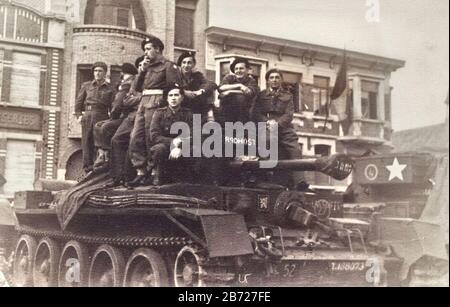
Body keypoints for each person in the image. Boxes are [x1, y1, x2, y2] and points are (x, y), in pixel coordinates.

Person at [128, 37, 180, 186]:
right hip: (143, 103)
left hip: (157, 102)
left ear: (157, 49)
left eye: (148, 48)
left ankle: (154, 172)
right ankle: (140, 171)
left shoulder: (169, 66)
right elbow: (137, 88)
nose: (146, 52)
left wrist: (163, 105)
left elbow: (173, 88)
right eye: (145, 49)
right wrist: (141, 71)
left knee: (151, 138)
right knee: (135, 137)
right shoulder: (147, 67)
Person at [253, 68, 308, 190]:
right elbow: (256, 112)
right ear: (267, 80)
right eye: (271, 78)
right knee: (266, 142)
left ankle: (300, 181)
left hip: (284, 127)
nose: (274, 80)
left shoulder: (288, 96)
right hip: (266, 125)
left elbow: (289, 114)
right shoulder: (261, 95)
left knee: (295, 149)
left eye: (277, 77)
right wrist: (267, 122)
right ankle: (265, 178)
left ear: (281, 80)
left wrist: (277, 124)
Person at [93, 62, 139, 172]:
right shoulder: (130, 83)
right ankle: (102, 154)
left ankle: (107, 157)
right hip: (124, 115)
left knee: (105, 127)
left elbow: (118, 104)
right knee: (98, 126)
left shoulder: (126, 84)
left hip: (126, 117)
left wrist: (113, 115)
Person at [75, 62, 115, 173]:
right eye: (95, 71)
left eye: (100, 71)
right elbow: (78, 103)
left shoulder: (110, 89)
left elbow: (113, 107)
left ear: (105, 73)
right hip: (87, 116)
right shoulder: (86, 86)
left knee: (99, 143)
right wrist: (79, 116)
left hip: (102, 117)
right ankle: (86, 169)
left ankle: (97, 169)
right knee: (86, 142)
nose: (97, 73)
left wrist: (110, 120)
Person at [149, 84, 193, 185]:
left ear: (181, 98)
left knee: (194, 149)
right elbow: (154, 136)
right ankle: (159, 176)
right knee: (158, 149)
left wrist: (180, 147)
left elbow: (193, 133)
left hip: (183, 146)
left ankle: (185, 177)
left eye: (176, 95)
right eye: (170, 95)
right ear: (167, 98)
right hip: (165, 145)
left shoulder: (188, 114)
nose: (173, 98)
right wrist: (173, 143)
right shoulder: (159, 113)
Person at [176, 51, 217, 122]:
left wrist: (200, 91)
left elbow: (211, 84)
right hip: (181, 107)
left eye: (189, 63)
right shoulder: (176, 76)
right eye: (184, 62)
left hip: (195, 109)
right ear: (180, 64)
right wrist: (184, 92)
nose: (186, 65)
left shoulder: (197, 76)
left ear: (193, 64)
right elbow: (171, 87)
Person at [218, 57, 259, 124]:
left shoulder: (251, 81)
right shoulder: (229, 77)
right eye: (236, 69)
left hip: (243, 116)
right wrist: (239, 86)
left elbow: (249, 92)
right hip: (226, 115)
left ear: (247, 70)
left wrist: (230, 91)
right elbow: (221, 88)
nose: (238, 71)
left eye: (241, 68)